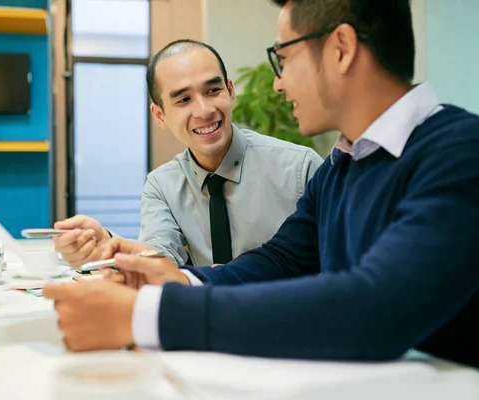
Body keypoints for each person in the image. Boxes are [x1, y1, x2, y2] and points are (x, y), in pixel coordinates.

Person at [43, 0, 479, 368]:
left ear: (341, 49)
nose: (277, 81)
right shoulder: (341, 166)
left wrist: (149, 316)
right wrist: (181, 281)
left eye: (284, 58)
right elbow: (281, 261)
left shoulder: (460, 151)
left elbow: (375, 307)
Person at [53, 39, 322, 267]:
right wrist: (110, 248)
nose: (204, 110)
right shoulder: (162, 186)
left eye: (213, 90)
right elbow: (159, 257)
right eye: (183, 99)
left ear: (230, 92)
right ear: (159, 115)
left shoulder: (300, 169)